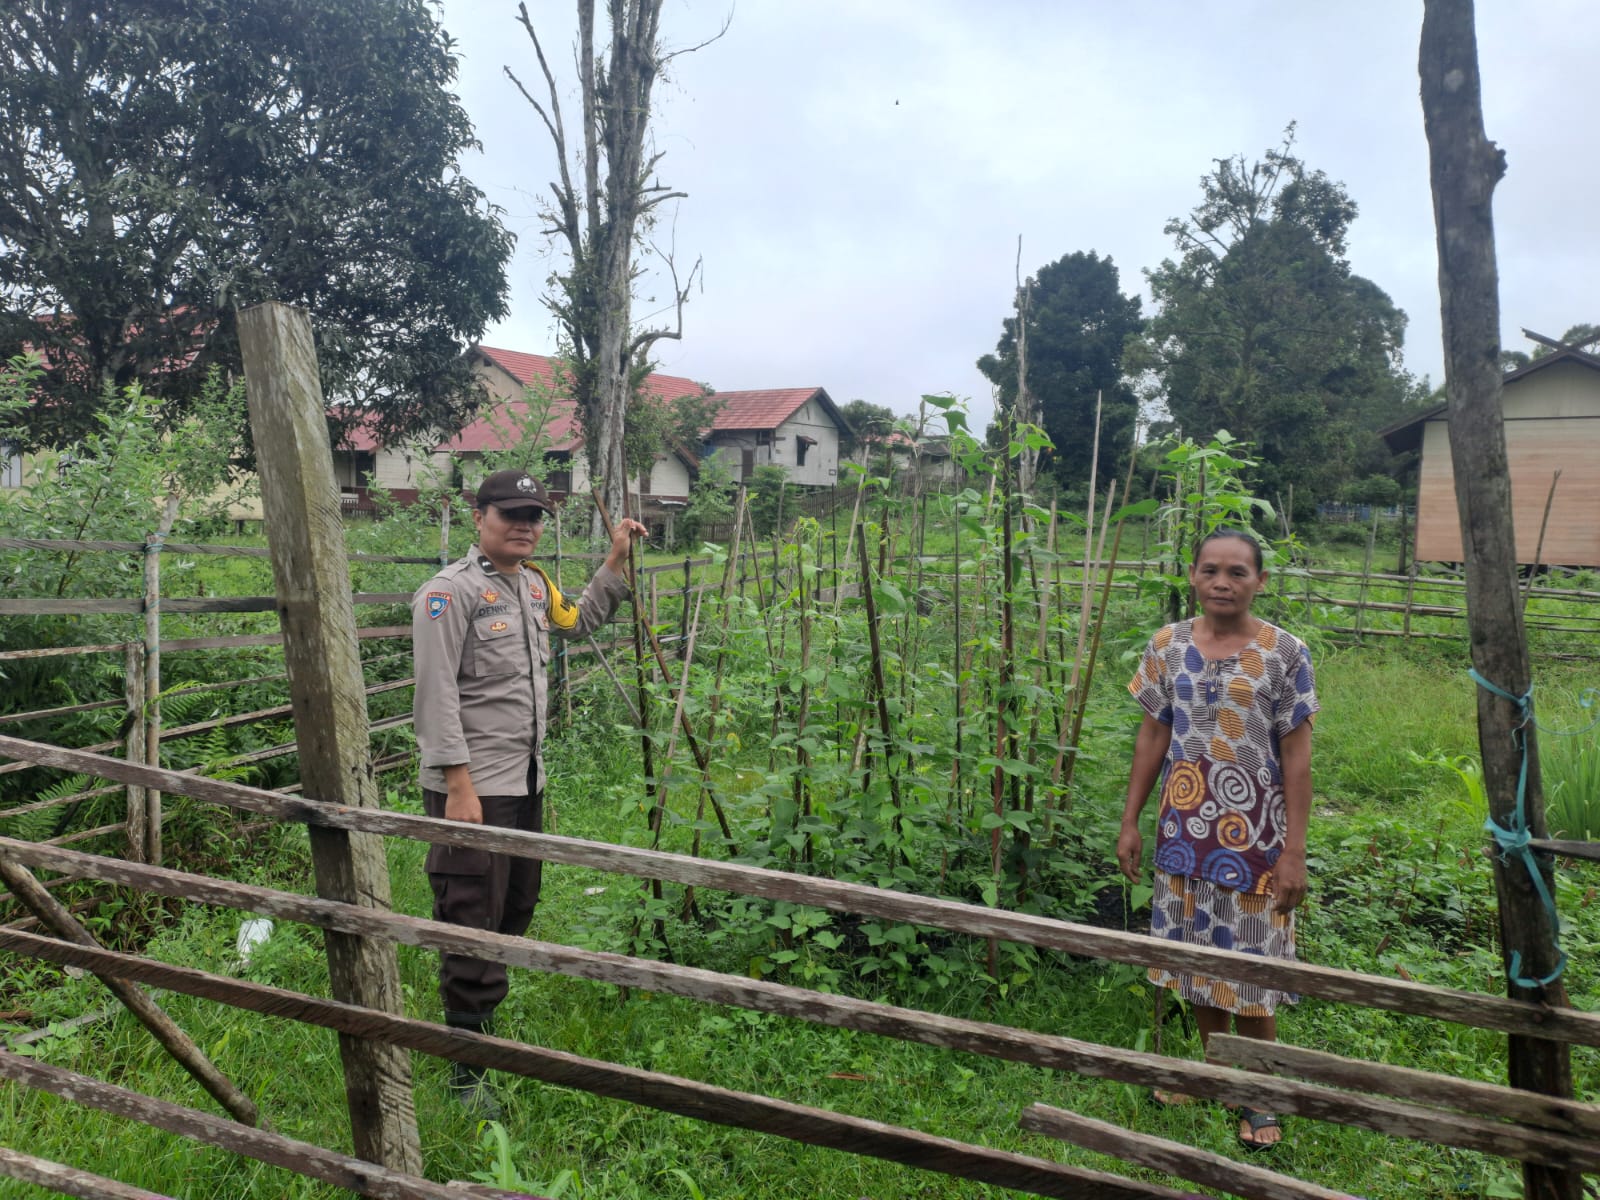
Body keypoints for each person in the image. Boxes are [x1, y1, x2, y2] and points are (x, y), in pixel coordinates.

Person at [412, 469, 645, 1116]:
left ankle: (479, 1026)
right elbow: (435, 694)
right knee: (471, 916)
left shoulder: (535, 586)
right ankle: (467, 1072)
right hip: (474, 788)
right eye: (511, 513)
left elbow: (580, 620)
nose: (525, 525)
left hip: (524, 779)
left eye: (535, 515)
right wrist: (458, 785)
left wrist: (615, 562)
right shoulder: (448, 594)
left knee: (515, 905)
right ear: (479, 517)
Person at [1116, 528, 1317, 1151]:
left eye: (1237, 572)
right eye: (1210, 571)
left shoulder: (1285, 653)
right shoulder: (1167, 645)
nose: (1222, 583)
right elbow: (1153, 734)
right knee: (1198, 959)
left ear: (1260, 581)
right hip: (1184, 833)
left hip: (1257, 839)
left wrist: (1294, 851)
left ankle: (1260, 1093)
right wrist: (1131, 819)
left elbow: (1297, 755)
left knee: (1252, 966)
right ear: (1193, 576)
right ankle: (1215, 1075)